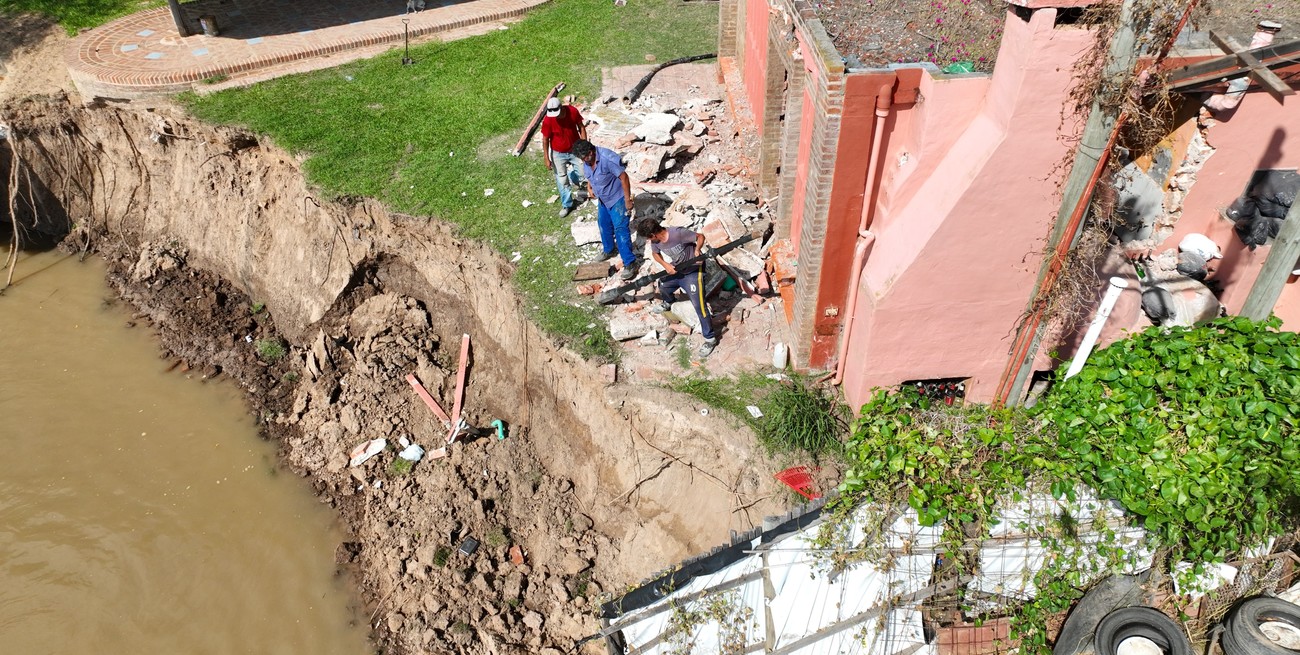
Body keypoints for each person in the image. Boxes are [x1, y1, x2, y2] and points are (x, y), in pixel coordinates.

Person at [635, 217, 718, 358]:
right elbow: (655, 254)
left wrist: (697, 250)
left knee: (699, 305)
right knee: (663, 286)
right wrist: (666, 265)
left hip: (693, 271)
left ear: (653, 235)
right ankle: (669, 302)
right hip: (678, 269)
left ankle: (710, 339)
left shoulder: (678, 233)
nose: (649, 241)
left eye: (648, 238)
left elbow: (700, 237)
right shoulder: (656, 242)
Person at [572, 140, 638, 280]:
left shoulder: (608, 158)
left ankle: (630, 263)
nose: (583, 161)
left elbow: (624, 177)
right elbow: (589, 173)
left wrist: (627, 200)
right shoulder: (587, 160)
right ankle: (608, 250)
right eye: (582, 159)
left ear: (591, 152)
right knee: (603, 225)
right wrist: (590, 186)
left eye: (585, 158)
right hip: (603, 200)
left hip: (617, 199)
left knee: (621, 230)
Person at [540, 97, 588, 218]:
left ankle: (580, 189)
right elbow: (545, 140)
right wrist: (546, 157)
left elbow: (581, 127)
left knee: (583, 174)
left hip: (575, 149)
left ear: (561, 108)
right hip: (558, 153)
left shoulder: (572, 111)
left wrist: (584, 145)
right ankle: (567, 205)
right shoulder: (548, 120)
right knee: (562, 181)